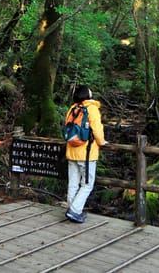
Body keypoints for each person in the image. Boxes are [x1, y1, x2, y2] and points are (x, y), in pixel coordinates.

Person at [64, 85, 107, 223]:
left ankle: (72, 208)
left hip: (71, 152)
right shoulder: (92, 108)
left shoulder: (72, 108)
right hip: (87, 154)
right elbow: (97, 129)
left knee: (73, 183)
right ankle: (75, 211)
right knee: (87, 184)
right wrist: (102, 142)